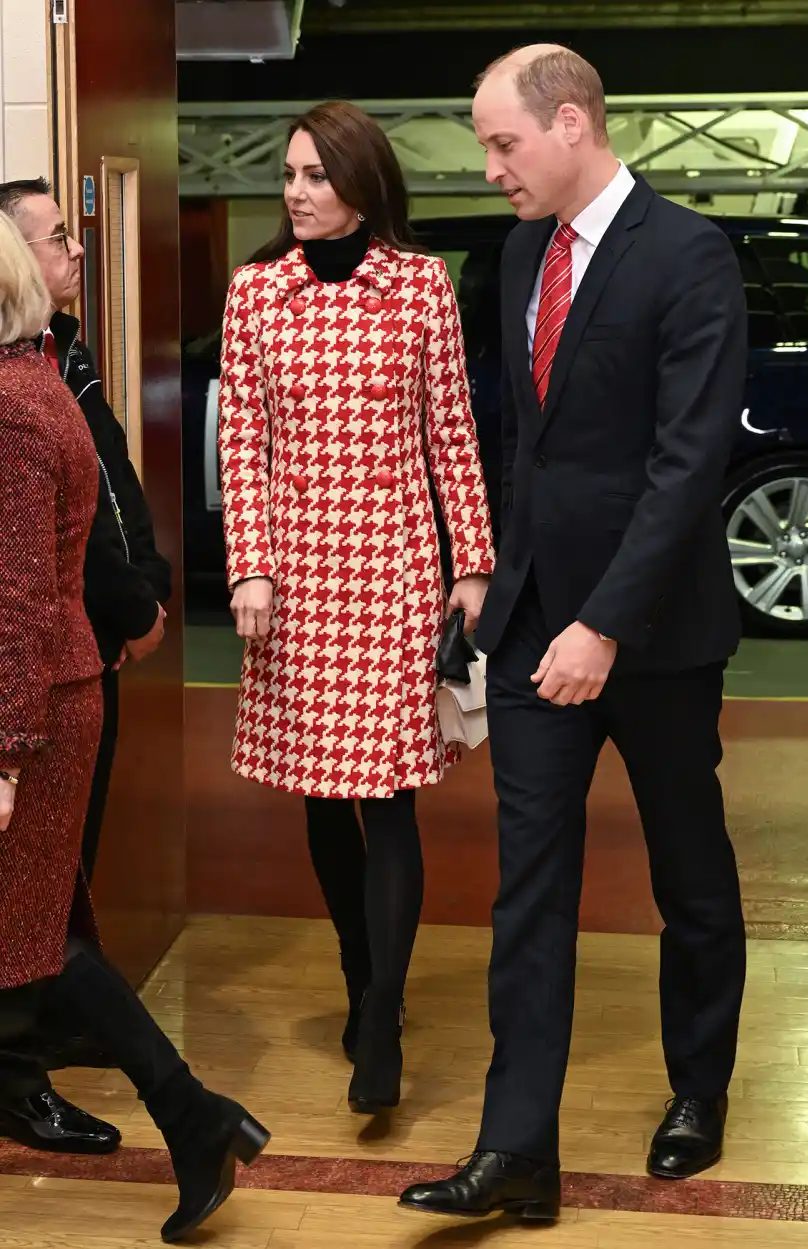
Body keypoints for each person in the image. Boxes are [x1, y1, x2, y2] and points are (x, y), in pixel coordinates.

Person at [400, 45, 748, 1220]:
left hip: (653, 636)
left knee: (687, 873)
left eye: (503, 143)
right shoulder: (516, 253)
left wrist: (606, 620)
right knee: (528, 892)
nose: (489, 167)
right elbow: (530, 439)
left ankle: (698, 1088)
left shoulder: (690, 253)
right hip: (535, 619)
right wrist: (490, 576)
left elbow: (688, 463)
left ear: (572, 122)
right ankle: (518, 1153)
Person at [219, 100, 494, 1114]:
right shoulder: (255, 295)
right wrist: (250, 567)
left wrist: (473, 567)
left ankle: (382, 1016)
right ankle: (357, 974)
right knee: (323, 799)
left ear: (363, 186)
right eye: (288, 174)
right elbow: (240, 447)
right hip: (293, 577)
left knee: (388, 793)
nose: (295, 191)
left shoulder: (421, 287)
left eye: (315, 176)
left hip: (394, 570)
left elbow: (453, 435)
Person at [0, 210, 269, 1242]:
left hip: (36, 707)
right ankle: (198, 1118)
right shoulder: (33, 383)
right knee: (40, 939)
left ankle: (194, 1116)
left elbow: (20, 597)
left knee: (42, 945)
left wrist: (10, 750)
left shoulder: (15, 412)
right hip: (50, 694)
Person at [0, 179, 171, 1074]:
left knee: (42, 910)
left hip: (47, 680)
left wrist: (140, 592)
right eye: (58, 236)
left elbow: (52, 557)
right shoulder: (29, 381)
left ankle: (178, 1104)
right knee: (40, 907)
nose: (74, 252)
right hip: (51, 674)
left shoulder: (32, 379)